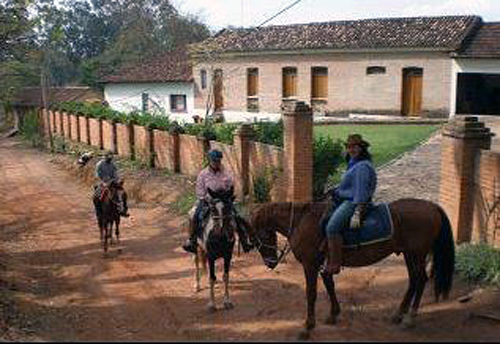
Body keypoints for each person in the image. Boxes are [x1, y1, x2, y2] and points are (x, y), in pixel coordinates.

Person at [323, 134, 377, 274]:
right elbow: (349, 186)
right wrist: (335, 191)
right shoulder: (353, 163)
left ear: (361, 148)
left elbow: (361, 190)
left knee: (332, 228)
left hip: (353, 202)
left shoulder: (362, 167)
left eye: (354, 147)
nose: (351, 149)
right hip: (346, 198)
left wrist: (358, 211)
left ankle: (335, 263)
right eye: (348, 147)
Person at [182, 149, 253, 254]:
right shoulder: (203, 174)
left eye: (218, 161)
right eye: (214, 161)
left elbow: (230, 186)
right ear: (210, 161)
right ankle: (192, 240)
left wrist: (228, 195)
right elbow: (200, 191)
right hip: (208, 201)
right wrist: (208, 198)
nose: (216, 163)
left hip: (224, 200)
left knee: (238, 216)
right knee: (194, 214)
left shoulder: (226, 173)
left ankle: (244, 242)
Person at [93, 150, 129, 217]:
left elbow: (115, 173)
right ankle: (98, 210)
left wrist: (116, 180)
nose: (110, 159)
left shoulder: (113, 164)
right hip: (102, 181)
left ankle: (123, 209)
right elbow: (97, 174)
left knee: (122, 192)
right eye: (108, 157)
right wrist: (103, 180)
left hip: (112, 181)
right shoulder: (100, 164)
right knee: (97, 194)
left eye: (111, 157)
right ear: (105, 157)